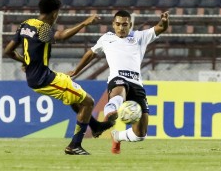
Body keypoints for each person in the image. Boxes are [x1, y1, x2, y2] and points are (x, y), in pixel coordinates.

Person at [4, 0, 114, 155]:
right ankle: (74, 145)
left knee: (73, 94)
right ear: (54, 13)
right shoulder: (43, 28)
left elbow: (8, 51)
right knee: (88, 102)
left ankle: (95, 126)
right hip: (43, 79)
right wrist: (85, 22)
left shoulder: (25, 25)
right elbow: (62, 36)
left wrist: (26, 62)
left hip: (40, 75)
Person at [68, 10, 169, 154]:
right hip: (117, 79)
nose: (121, 28)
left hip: (136, 84)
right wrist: (76, 71)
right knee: (119, 90)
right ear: (113, 25)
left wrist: (164, 22)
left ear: (130, 25)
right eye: (118, 24)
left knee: (140, 135)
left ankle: (118, 136)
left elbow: (160, 28)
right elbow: (91, 53)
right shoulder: (106, 38)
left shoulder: (139, 36)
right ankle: (110, 111)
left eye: (125, 25)